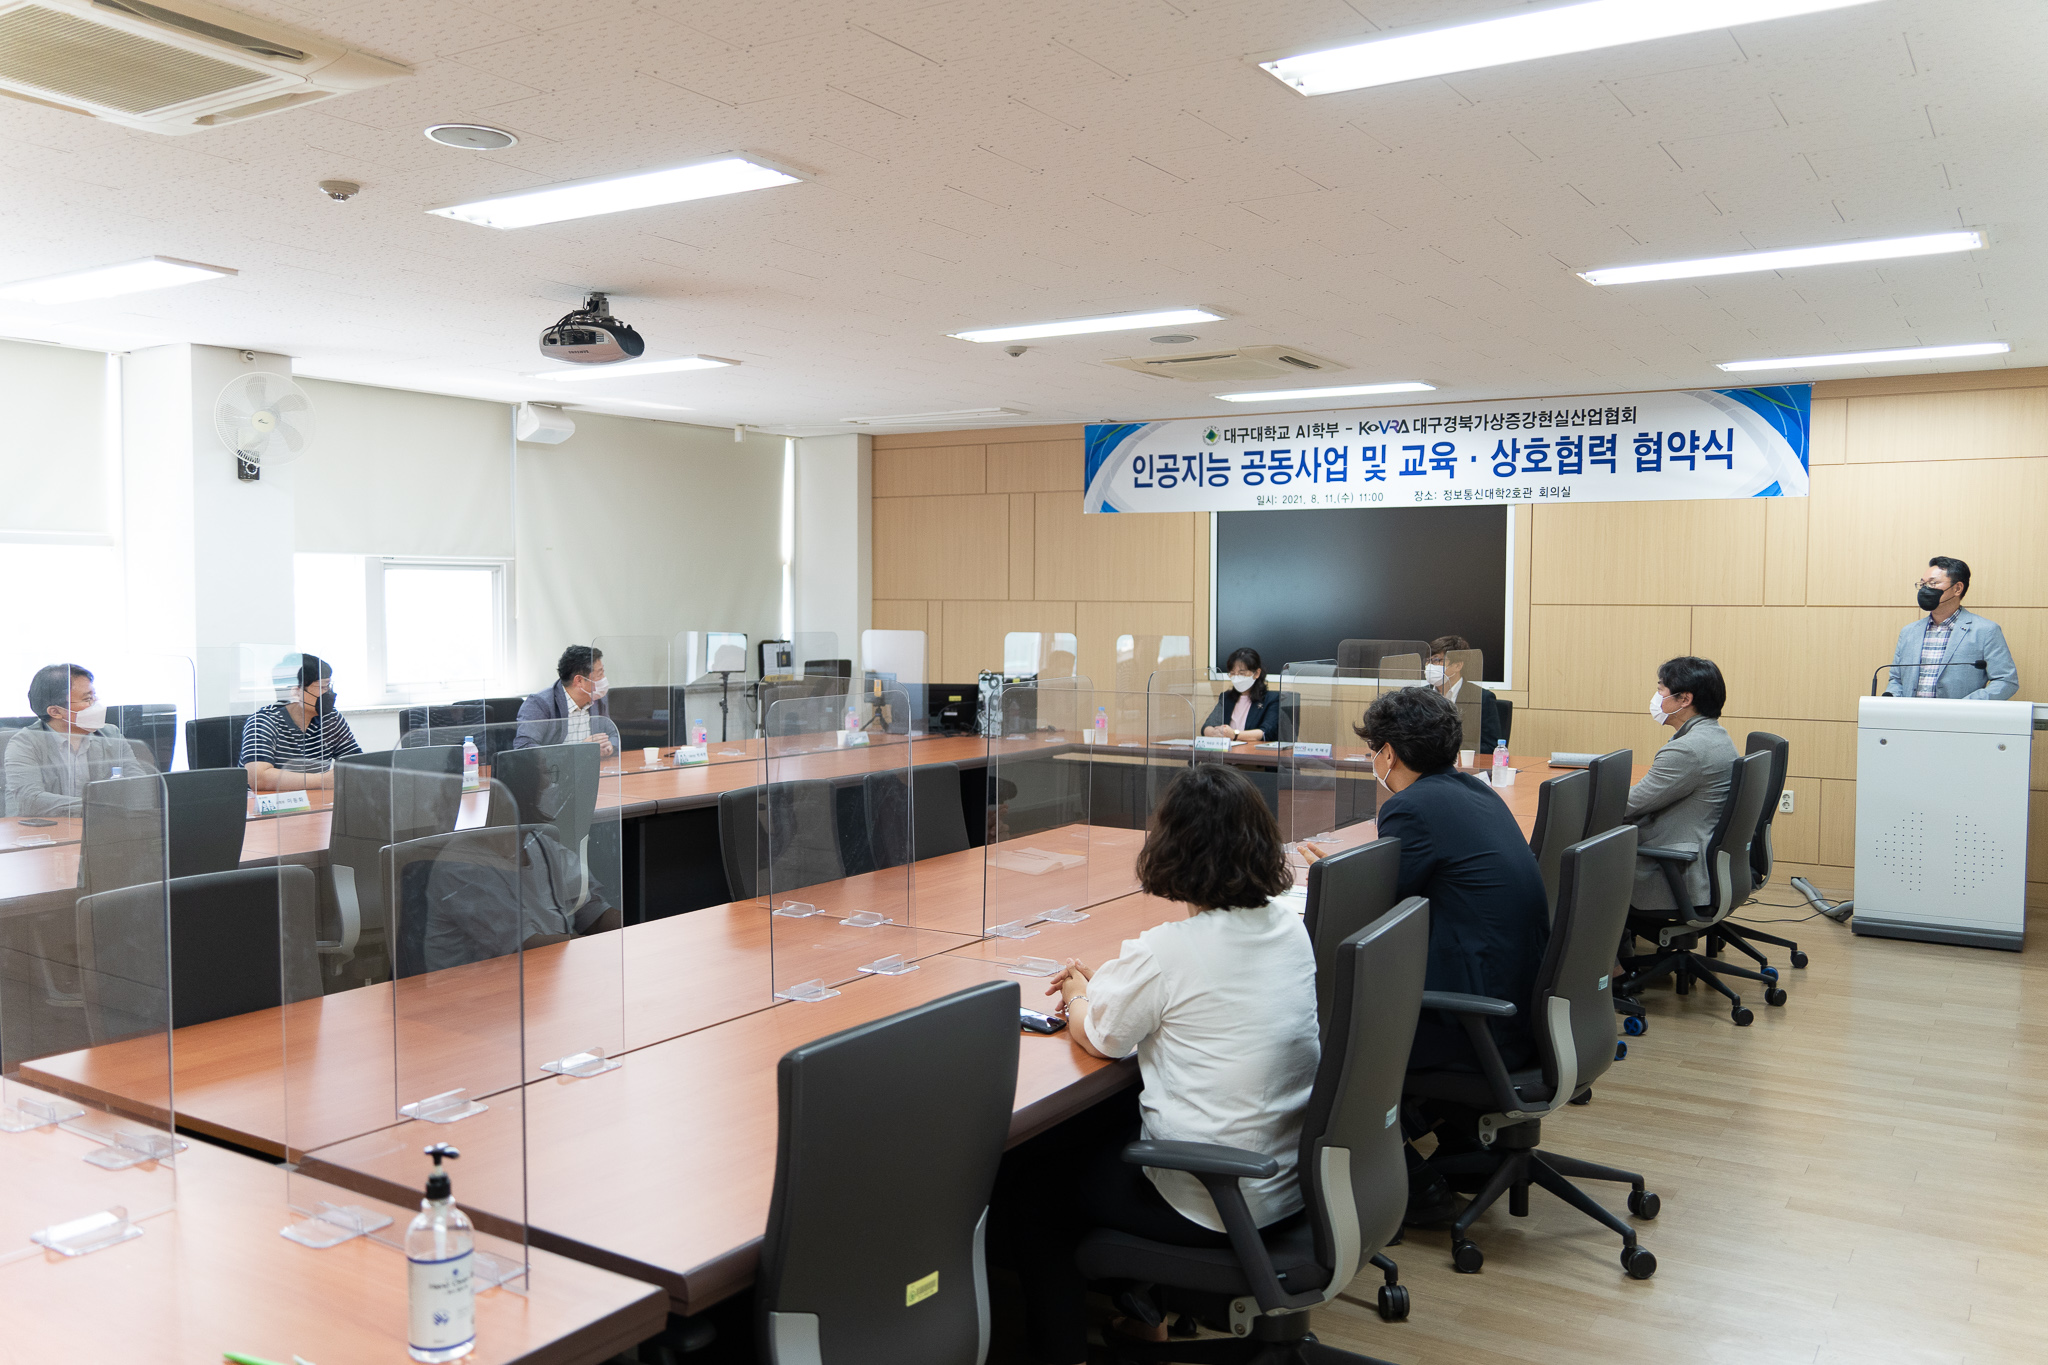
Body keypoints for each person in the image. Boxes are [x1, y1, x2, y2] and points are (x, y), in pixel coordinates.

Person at [991, 763, 1316, 1364]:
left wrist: (1077, 994)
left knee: (1033, 1187)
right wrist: (1115, 990)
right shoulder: (1287, 927)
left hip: (1214, 1200)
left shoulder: (1168, 951)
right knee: (1109, 1124)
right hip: (1287, 1183)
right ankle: (1144, 1318)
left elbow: (1101, 1038)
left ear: (1172, 847)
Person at [1314, 684, 1548, 1223]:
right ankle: (1458, 1141)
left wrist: (1331, 878)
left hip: (1474, 1022)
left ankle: (1411, 1183)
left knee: (1334, 1031)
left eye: (1373, 750)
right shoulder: (1475, 791)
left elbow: (1375, 910)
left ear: (1388, 753)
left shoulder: (1411, 807)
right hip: (1515, 1007)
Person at [1626, 656, 1739, 911]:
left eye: (1661, 691)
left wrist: (1584, 796)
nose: (1657, 699)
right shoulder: (1715, 735)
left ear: (1684, 699)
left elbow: (1630, 804)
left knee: (1586, 849)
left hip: (1675, 868)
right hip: (1697, 852)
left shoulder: (1688, 750)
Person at [5, 663, 158, 817]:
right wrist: (99, 808)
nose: (96, 704)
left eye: (94, 696)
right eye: (88, 699)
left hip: (101, 825)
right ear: (56, 711)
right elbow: (31, 801)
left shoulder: (110, 735)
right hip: (43, 828)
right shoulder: (25, 743)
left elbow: (139, 786)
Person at [1880, 556, 2018, 700]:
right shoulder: (1909, 632)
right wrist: (1892, 696)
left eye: (1933, 583)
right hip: (1911, 714)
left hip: (1961, 714)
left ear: (1957, 588)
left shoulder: (1986, 631)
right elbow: (1896, 679)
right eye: (1922, 584)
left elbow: (2006, 681)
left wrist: (1965, 707)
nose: (1925, 589)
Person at [240, 654, 362, 791]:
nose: (329, 693)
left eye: (329, 686)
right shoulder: (263, 722)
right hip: (269, 803)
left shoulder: (331, 718)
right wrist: (322, 780)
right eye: (323, 687)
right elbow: (258, 778)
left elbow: (357, 763)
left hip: (315, 801)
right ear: (296, 691)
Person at [515, 645, 617, 753]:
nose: (604, 679)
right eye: (600, 674)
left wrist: (609, 747)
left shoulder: (598, 699)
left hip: (594, 763)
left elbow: (613, 735)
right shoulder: (539, 704)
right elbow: (524, 747)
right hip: (555, 764)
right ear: (579, 681)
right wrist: (576, 751)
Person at [1425, 633, 1501, 754]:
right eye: (1428, 661)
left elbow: (1491, 746)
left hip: (1464, 762)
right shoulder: (1420, 696)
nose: (1430, 666)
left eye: (1436, 660)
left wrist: (1445, 748)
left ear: (1457, 665)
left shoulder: (1482, 698)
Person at [1199, 646, 1288, 742]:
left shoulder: (1271, 699)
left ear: (1256, 673)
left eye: (1242, 673)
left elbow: (1266, 732)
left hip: (1254, 750)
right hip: (1227, 750)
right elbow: (1207, 726)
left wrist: (1234, 734)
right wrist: (1214, 733)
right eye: (1233, 673)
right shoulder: (1226, 697)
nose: (1236, 678)